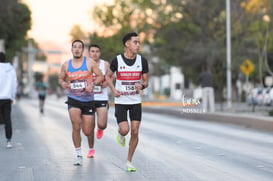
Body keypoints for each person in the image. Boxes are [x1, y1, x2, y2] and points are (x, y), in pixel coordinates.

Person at [106, 32, 149, 172]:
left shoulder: (142, 61)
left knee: (135, 132)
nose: (138, 45)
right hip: (121, 101)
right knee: (125, 130)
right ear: (127, 44)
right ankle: (120, 133)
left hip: (135, 101)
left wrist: (141, 86)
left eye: (139, 42)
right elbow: (108, 77)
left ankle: (129, 161)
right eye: (135, 42)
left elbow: (146, 81)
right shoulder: (117, 60)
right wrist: (113, 90)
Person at [58, 40, 103, 166]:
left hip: (88, 100)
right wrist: (63, 83)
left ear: (82, 50)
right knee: (76, 126)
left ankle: (89, 138)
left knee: (87, 131)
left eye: (79, 47)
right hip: (73, 99)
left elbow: (100, 76)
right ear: (71, 49)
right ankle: (78, 154)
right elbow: (61, 78)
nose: (77, 49)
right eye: (75, 47)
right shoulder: (66, 65)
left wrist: (93, 84)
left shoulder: (89, 62)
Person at [86, 44, 110, 158]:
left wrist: (105, 83)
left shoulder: (105, 64)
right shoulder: (85, 64)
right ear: (89, 53)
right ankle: (91, 149)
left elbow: (111, 76)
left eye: (97, 51)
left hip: (102, 98)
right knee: (89, 127)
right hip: (88, 99)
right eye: (92, 51)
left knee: (102, 124)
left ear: (99, 53)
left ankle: (100, 128)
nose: (95, 53)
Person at [0, 52, 17, 148]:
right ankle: (8, 141)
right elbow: (14, 84)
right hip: (7, 98)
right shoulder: (11, 69)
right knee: (7, 119)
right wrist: (12, 96)